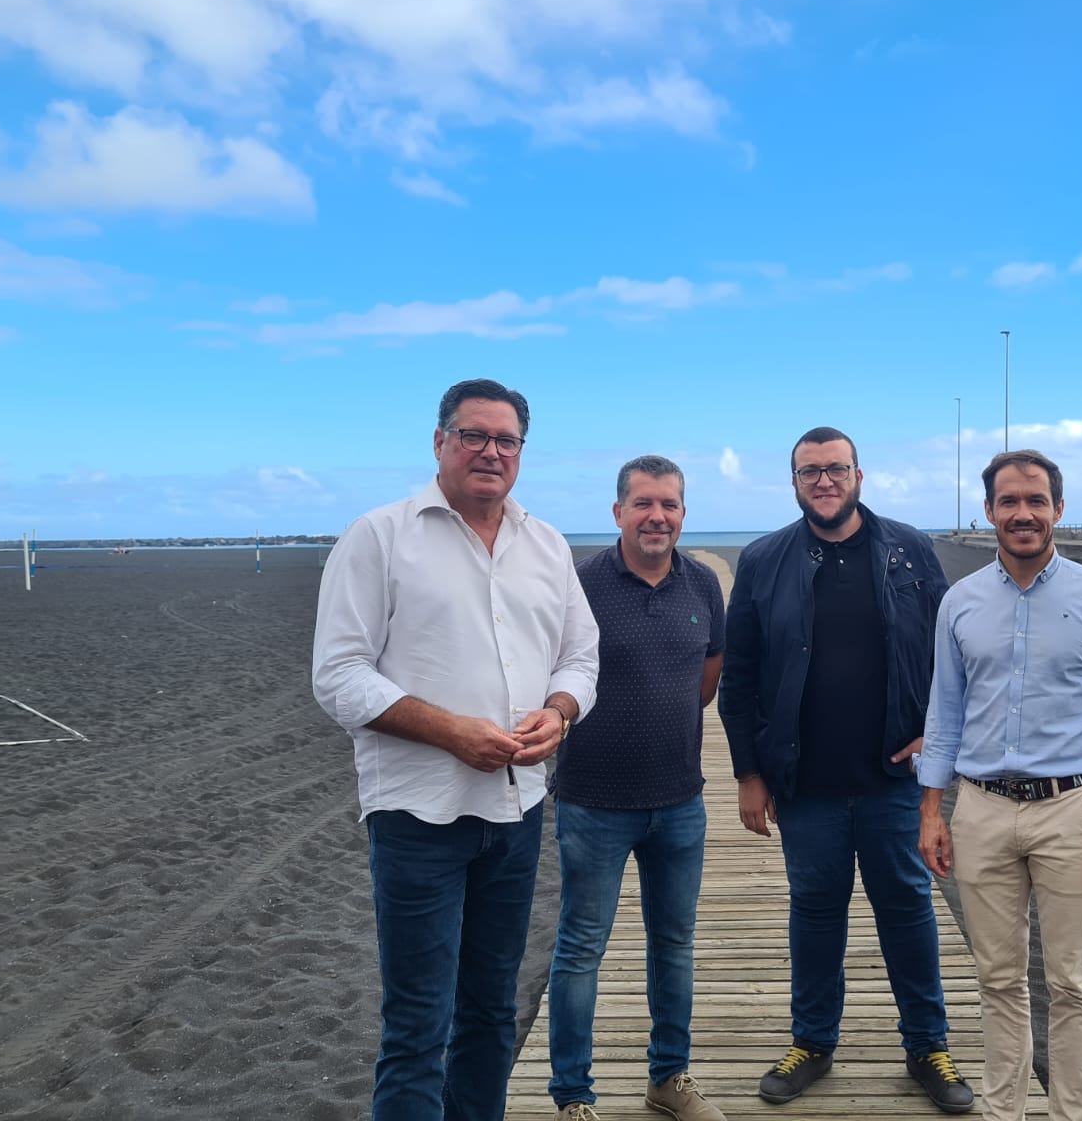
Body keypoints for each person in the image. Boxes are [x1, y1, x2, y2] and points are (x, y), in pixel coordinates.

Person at [312, 378, 600, 1121]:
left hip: (517, 814)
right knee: (417, 1024)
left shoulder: (546, 544)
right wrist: (451, 731)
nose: (490, 451)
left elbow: (580, 657)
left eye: (506, 440)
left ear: (521, 452)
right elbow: (338, 675)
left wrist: (559, 714)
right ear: (440, 442)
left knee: (491, 1012)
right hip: (418, 817)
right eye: (474, 435)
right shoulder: (379, 536)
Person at [718, 426, 974, 1115]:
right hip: (805, 782)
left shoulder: (909, 549)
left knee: (908, 910)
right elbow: (739, 675)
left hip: (893, 778)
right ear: (794, 482)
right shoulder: (764, 559)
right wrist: (748, 773)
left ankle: (927, 1046)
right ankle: (812, 1043)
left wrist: (935, 732)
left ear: (859, 475)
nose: (824, 481)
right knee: (816, 913)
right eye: (810, 472)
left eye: (836, 469)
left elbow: (950, 654)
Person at [918, 449, 1082, 1121]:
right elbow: (945, 711)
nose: (1022, 514)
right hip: (981, 809)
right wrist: (932, 810)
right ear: (988, 511)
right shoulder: (960, 603)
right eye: (1009, 502)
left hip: (1072, 810)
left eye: (1035, 501)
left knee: (1074, 983)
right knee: (997, 980)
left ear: (1058, 509)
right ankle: (1005, 1113)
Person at [547, 456, 727, 1121]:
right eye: (644, 504)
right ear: (618, 511)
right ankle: (572, 1095)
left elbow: (707, 678)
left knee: (674, 945)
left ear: (683, 513)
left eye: (669, 505)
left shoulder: (702, 584)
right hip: (593, 802)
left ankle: (669, 1078)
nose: (657, 517)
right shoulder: (580, 583)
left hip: (680, 801)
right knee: (581, 948)